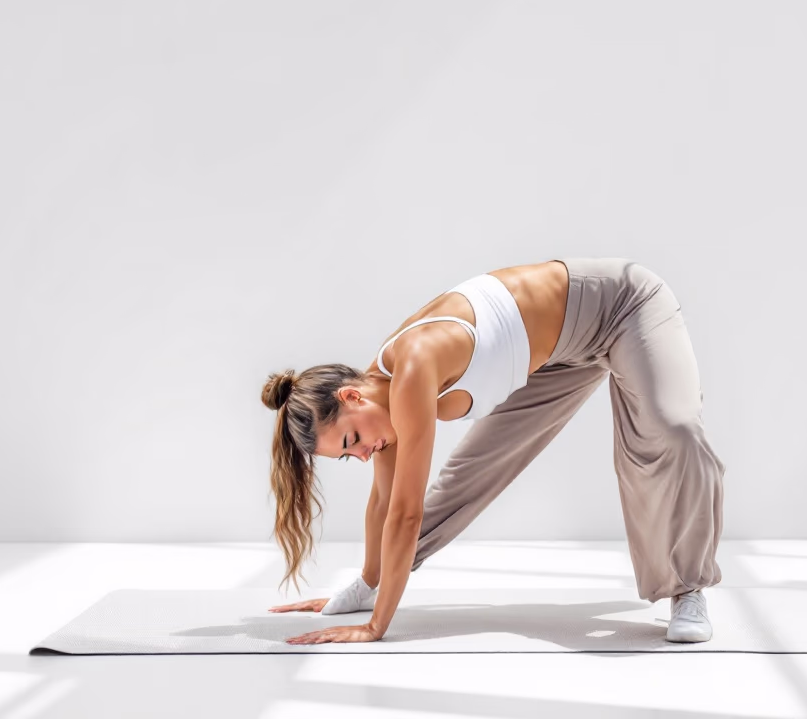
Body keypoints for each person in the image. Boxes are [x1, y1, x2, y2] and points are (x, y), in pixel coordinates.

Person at [261, 257, 726, 644]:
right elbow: (382, 503)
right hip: (556, 359)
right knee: (467, 475)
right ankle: (378, 583)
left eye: (350, 441)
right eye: (348, 455)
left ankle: (687, 588)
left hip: (622, 307)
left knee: (672, 430)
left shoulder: (414, 367)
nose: (362, 454)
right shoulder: (381, 404)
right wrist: (367, 582)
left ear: (350, 397)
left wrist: (376, 626)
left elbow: (403, 514)